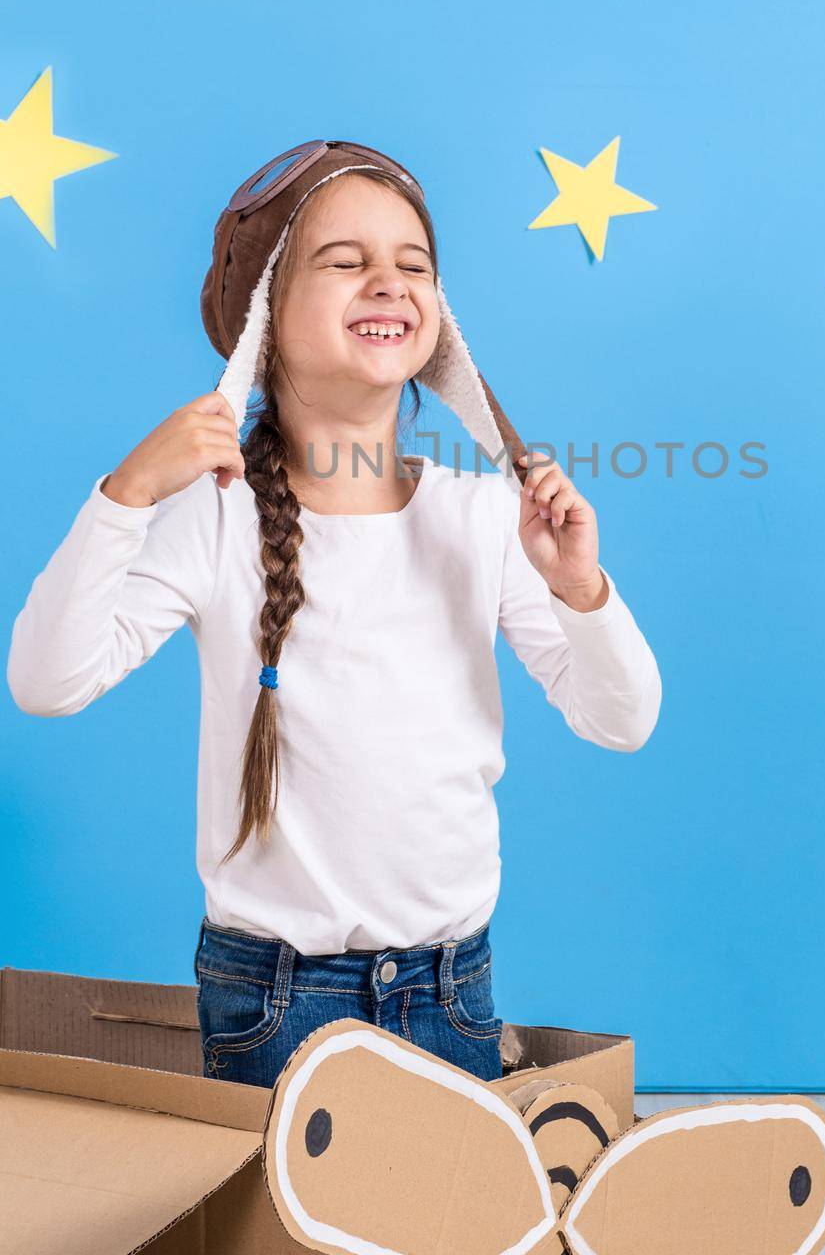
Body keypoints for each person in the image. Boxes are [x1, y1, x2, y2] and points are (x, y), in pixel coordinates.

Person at [7, 139, 662, 1089]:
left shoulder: (487, 519)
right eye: (346, 262)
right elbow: (45, 681)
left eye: (414, 265)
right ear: (266, 320)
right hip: (273, 1000)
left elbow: (622, 720)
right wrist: (130, 491)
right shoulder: (213, 518)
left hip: (451, 990)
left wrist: (579, 588)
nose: (388, 283)